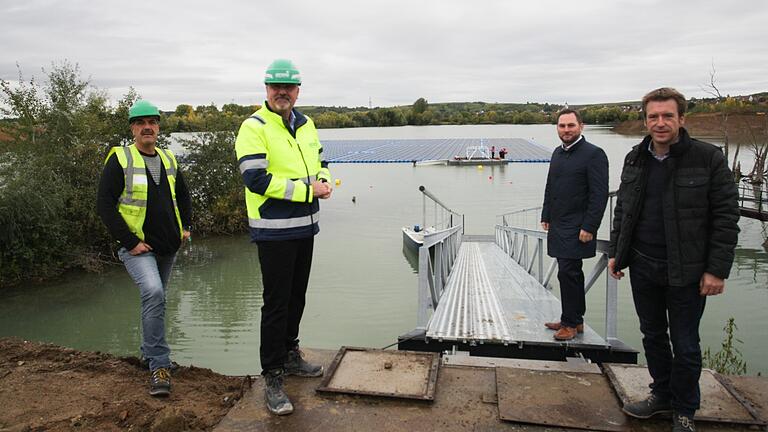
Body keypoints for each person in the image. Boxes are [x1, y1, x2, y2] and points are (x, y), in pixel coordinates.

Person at [608, 87, 739, 432]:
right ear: (645, 120)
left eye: (668, 116)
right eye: (653, 116)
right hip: (643, 264)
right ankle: (661, 395)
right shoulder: (635, 157)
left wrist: (716, 270)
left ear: (682, 119)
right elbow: (624, 208)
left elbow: (726, 217)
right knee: (652, 336)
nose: (660, 123)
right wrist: (615, 253)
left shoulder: (707, 158)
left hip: (688, 269)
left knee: (685, 343)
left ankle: (684, 409)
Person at [235, 59, 332, 416]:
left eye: (288, 87)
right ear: (266, 89)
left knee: (296, 297)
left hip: (305, 227)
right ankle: (272, 376)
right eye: (275, 86)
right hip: (273, 230)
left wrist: (322, 179)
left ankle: (290, 354)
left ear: (297, 91)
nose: (282, 92)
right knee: (276, 304)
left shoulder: (306, 125)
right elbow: (256, 180)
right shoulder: (254, 127)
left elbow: (320, 161)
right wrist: (309, 190)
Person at [97, 100, 192, 397]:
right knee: (153, 292)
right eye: (141, 122)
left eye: (152, 121)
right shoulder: (120, 158)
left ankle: (149, 354)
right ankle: (160, 365)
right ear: (132, 128)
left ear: (159, 127)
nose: (147, 127)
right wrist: (130, 242)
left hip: (168, 246)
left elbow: (183, 195)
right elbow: (104, 206)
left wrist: (186, 227)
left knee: (156, 300)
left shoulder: (168, 158)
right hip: (137, 248)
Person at [540, 109, 608, 341]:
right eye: (562, 126)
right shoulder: (558, 153)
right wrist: (546, 214)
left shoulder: (594, 154)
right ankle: (574, 319)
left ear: (581, 126)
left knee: (569, 272)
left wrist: (590, 226)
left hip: (578, 225)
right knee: (567, 273)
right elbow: (551, 186)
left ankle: (570, 323)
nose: (566, 130)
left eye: (571, 125)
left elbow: (599, 195)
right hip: (558, 223)